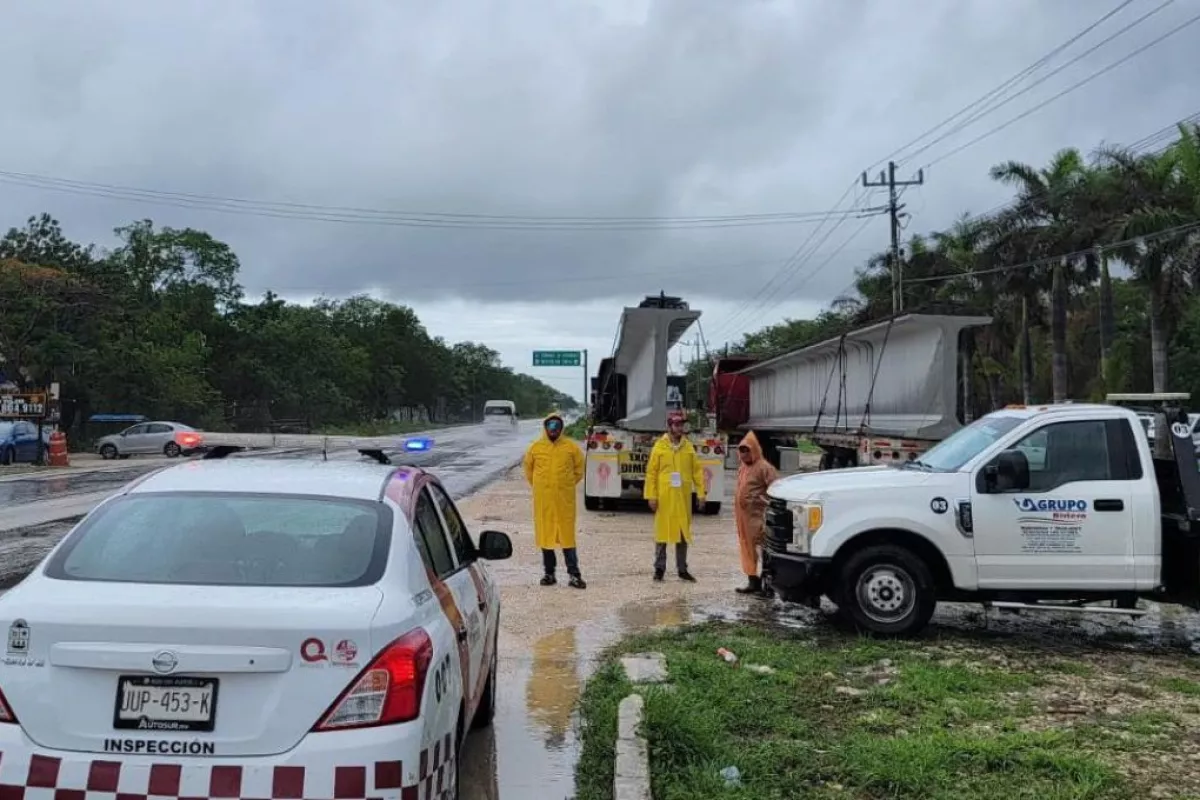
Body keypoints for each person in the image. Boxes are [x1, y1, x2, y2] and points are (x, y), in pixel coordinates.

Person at [523, 412, 586, 589]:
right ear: (546, 427)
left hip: (564, 502)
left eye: (557, 426)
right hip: (544, 502)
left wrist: (565, 485)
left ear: (561, 428)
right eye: (551, 426)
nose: (554, 430)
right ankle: (549, 574)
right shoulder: (535, 448)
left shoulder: (571, 447)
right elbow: (529, 470)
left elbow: (579, 469)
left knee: (567, 538)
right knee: (546, 538)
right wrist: (541, 486)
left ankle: (574, 575)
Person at [644, 412, 704, 582]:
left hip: (682, 499)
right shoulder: (660, 447)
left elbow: (697, 472)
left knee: (683, 534)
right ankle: (659, 569)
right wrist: (651, 496)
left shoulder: (688, 447)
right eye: (676, 425)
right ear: (669, 427)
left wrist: (701, 494)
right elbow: (651, 473)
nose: (680, 428)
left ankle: (682, 569)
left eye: (681, 425)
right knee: (662, 534)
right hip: (665, 499)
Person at [733, 432, 778, 596]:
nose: (744, 454)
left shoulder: (764, 467)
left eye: (747, 450)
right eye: (741, 450)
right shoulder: (743, 467)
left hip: (759, 517)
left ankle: (769, 586)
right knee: (747, 549)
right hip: (744, 519)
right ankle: (753, 581)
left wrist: (762, 500)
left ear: (755, 450)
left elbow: (775, 489)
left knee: (765, 551)